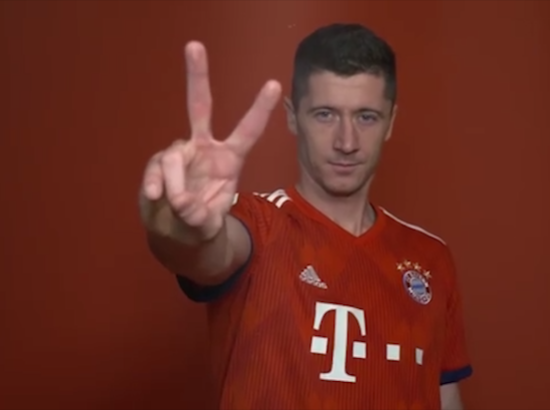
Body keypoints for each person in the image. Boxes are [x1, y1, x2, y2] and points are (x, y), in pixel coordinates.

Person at [139, 23, 472, 410]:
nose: (346, 142)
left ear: (391, 122)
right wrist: (175, 215)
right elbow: (202, 251)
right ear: (293, 116)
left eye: (366, 117)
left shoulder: (431, 257)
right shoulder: (258, 224)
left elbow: (445, 397)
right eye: (325, 114)